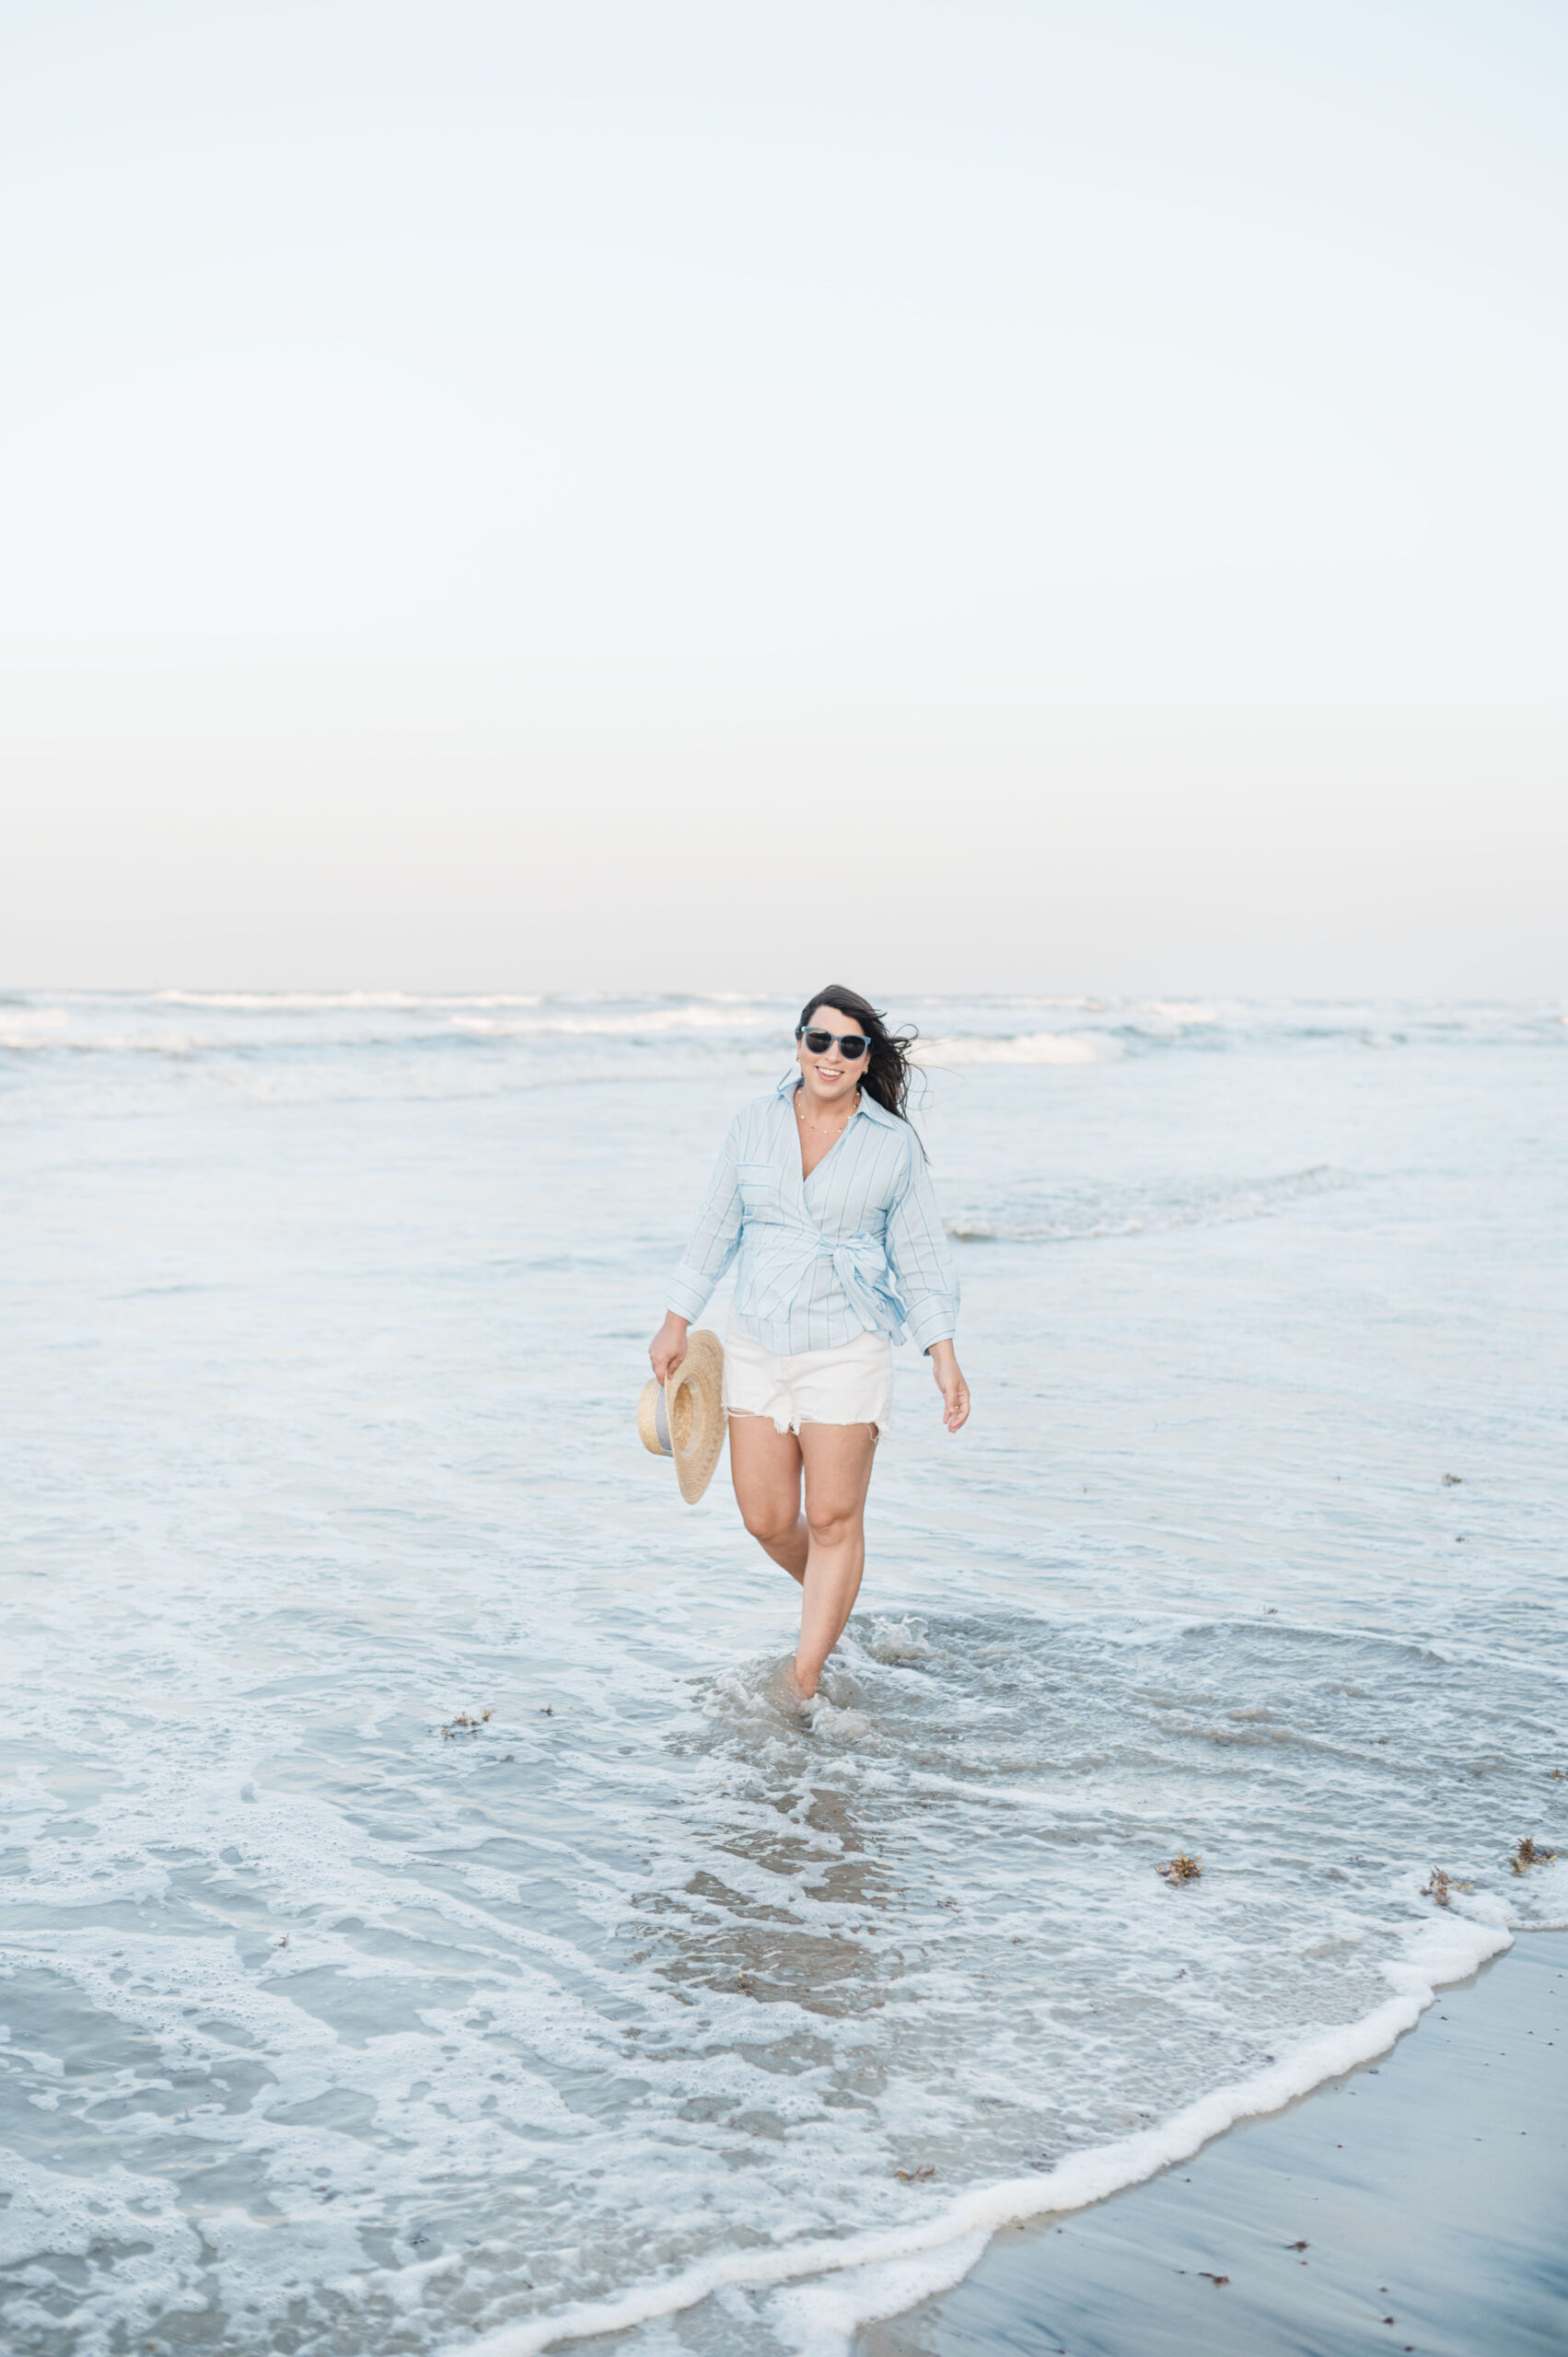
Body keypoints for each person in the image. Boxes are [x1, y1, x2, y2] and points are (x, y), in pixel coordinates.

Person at [647, 986, 969, 1701]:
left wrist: (942, 1357)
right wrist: (676, 1316)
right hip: (758, 1341)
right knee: (765, 1518)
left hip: (846, 1346)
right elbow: (713, 1228)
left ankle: (805, 1676)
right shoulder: (752, 1125)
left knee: (831, 1517)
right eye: (818, 1040)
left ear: (864, 1060)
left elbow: (920, 1260)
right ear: (798, 1044)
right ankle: (836, 1594)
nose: (831, 1055)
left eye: (849, 1046)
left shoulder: (892, 1145)